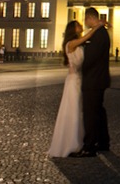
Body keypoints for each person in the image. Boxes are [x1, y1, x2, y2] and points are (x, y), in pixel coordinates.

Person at [47, 19, 104, 157]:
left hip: (80, 79)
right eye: (78, 25)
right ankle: (72, 143)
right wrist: (97, 26)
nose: (81, 26)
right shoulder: (71, 44)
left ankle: (78, 141)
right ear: (73, 30)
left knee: (79, 110)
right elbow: (88, 37)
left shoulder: (78, 43)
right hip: (73, 81)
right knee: (74, 110)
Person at [69, 7, 111, 158]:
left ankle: (89, 147)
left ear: (90, 18)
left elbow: (90, 59)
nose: (85, 23)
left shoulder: (98, 34)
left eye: (85, 19)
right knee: (99, 111)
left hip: (93, 80)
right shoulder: (101, 33)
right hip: (100, 79)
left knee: (90, 113)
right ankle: (103, 142)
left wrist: (77, 68)